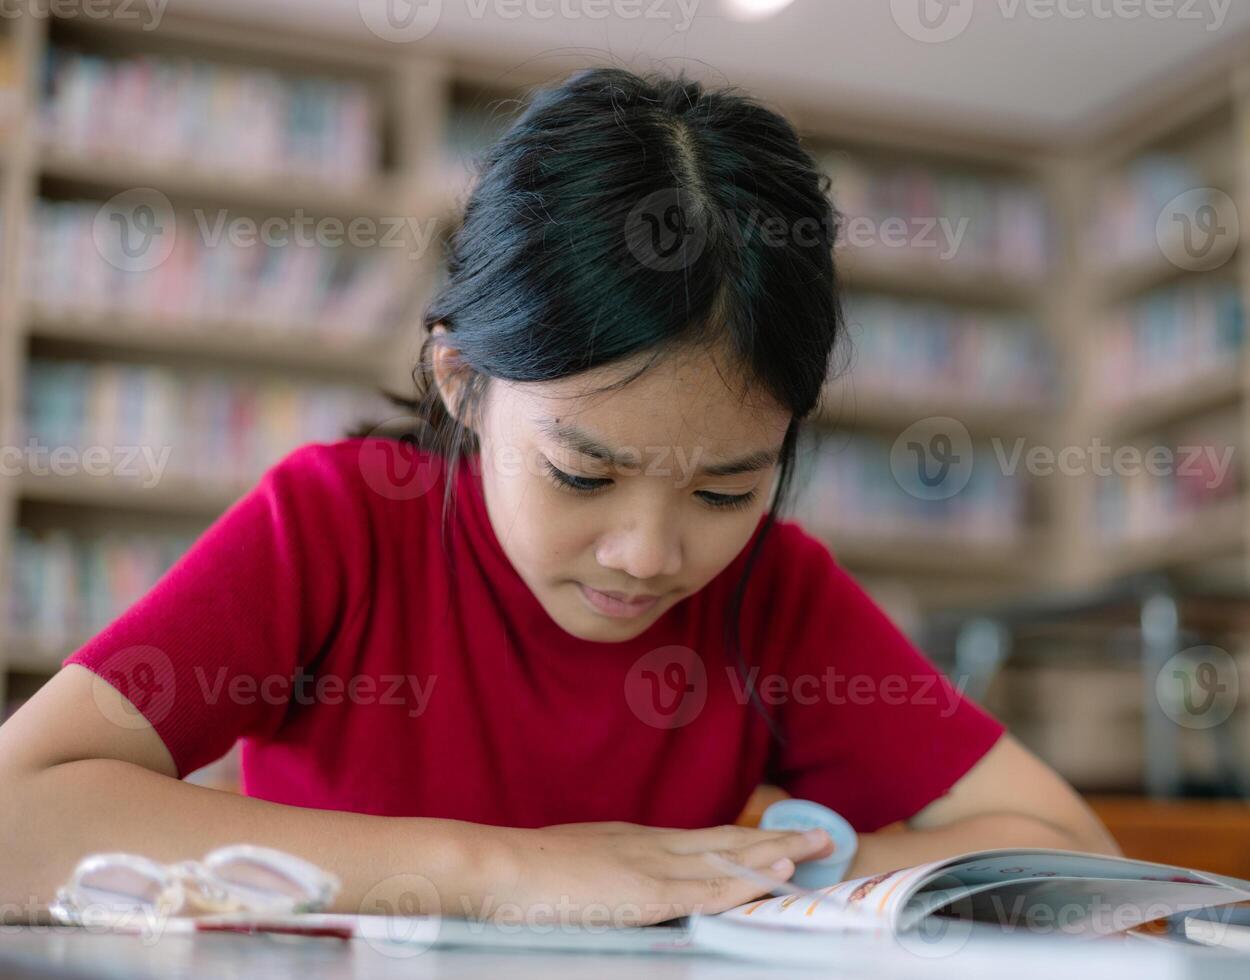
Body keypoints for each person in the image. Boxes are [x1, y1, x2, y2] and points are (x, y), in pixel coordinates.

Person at [0, 66, 1117, 927]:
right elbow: (15, 816)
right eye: (585, 471)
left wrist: (765, 864)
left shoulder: (776, 598)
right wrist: (513, 868)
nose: (648, 550)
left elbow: (1072, 851)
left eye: (729, 487)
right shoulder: (339, 524)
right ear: (464, 384)